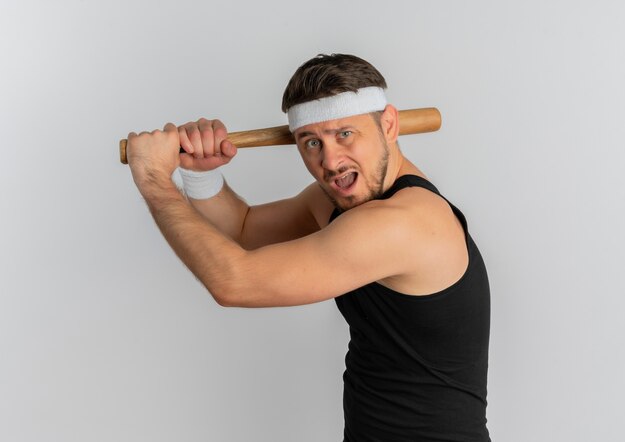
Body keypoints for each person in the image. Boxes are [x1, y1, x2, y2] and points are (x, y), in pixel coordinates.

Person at [126, 53, 491, 441]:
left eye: (345, 134)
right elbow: (244, 230)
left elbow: (234, 282)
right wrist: (201, 176)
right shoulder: (340, 201)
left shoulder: (403, 224)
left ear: (388, 124)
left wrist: (154, 180)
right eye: (312, 141)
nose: (330, 161)